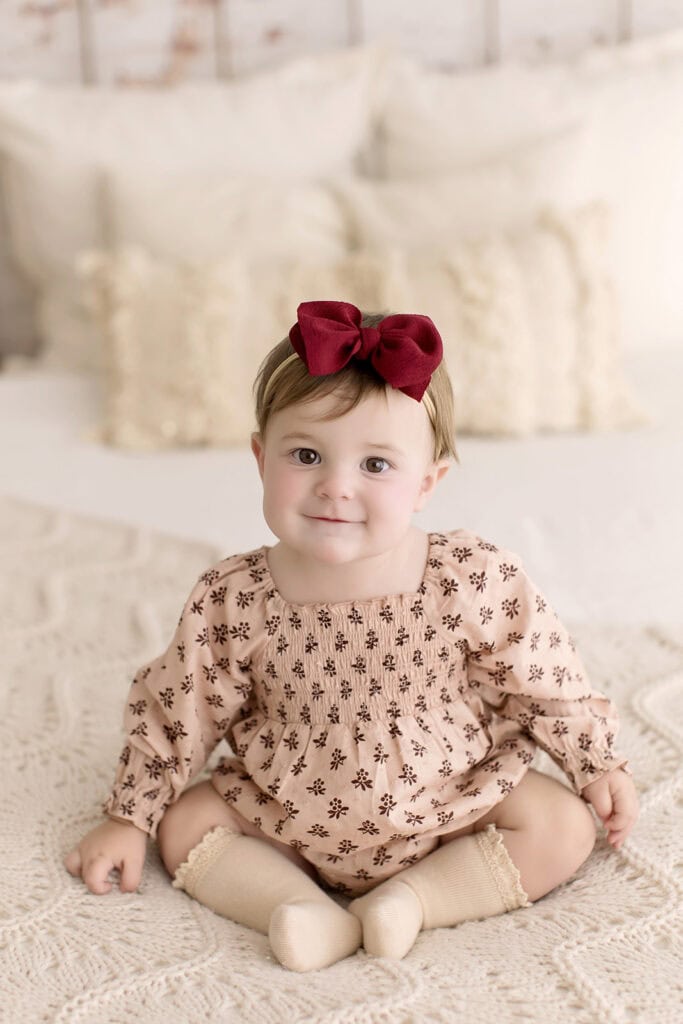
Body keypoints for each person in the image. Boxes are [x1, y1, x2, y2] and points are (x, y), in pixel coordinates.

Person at [64, 300, 639, 973]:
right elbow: (178, 710)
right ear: (259, 457)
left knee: (563, 825)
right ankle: (297, 909)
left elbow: (542, 679)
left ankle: (414, 901)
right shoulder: (235, 596)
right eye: (306, 455)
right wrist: (130, 817)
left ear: (427, 483)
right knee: (186, 824)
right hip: (286, 805)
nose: (335, 487)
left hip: (448, 799)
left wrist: (594, 763)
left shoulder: (467, 577)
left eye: (375, 466)